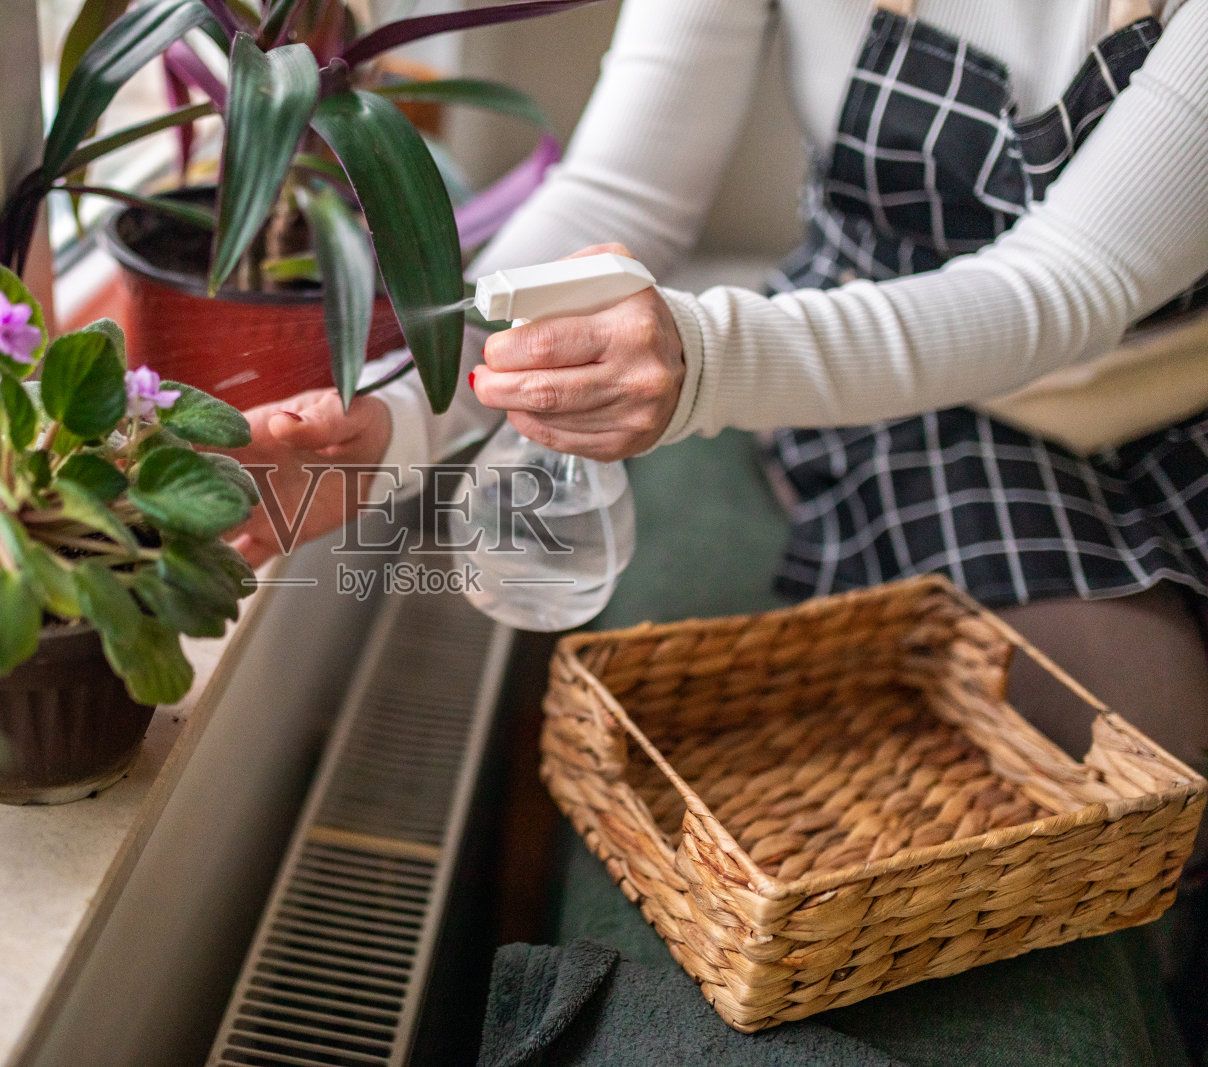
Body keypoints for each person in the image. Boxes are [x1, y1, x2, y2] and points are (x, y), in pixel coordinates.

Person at [228, 0, 1208, 772]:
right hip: (888, 384)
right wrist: (410, 410)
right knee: (1128, 714)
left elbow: (1072, 279)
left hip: (1171, 399)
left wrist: (706, 359)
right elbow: (621, 194)